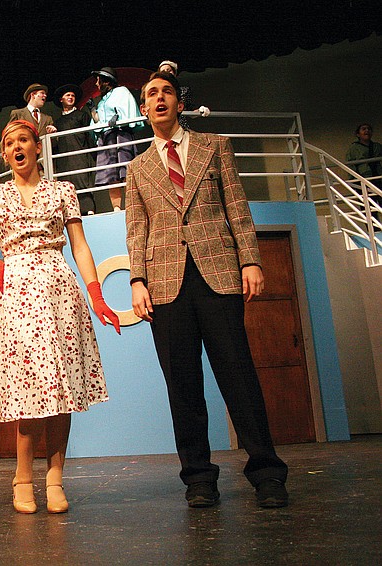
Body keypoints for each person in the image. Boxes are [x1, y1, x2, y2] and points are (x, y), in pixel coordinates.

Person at [125, 71, 289, 509]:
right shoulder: (137, 168)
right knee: (182, 386)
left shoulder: (215, 146)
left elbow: (237, 205)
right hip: (165, 283)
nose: (160, 98)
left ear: (179, 103)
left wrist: (250, 259)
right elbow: (137, 229)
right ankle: (198, 477)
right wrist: (137, 280)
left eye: (167, 92)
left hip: (218, 272)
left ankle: (267, 473)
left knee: (238, 375)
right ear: (144, 109)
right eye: (152, 94)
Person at [0, 120, 120, 514]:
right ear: (4, 153)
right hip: (19, 292)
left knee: (63, 390)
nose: (17, 147)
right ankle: (23, 477)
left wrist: (96, 294)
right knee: (29, 391)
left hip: (60, 289)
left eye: (23, 140)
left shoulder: (63, 191)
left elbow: (79, 245)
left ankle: (55, 478)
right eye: (9, 143)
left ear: (36, 147)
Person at [88, 67, 142, 211]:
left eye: (98, 81)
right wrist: (93, 110)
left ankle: (133, 206)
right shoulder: (102, 101)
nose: (96, 84)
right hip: (107, 138)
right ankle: (116, 208)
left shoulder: (121, 91)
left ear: (106, 81)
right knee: (111, 176)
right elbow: (98, 122)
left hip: (120, 135)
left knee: (126, 172)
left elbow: (127, 110)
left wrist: (118, 118)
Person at [52, 83, 100, 214]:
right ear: (61, 99)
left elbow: (89, 137)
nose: (71, 97)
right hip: (64, 161)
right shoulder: (57, 122)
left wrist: (93, 155)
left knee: (83, 182)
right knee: (67, 186)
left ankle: (89, 210)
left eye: (72, 95)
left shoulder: (82, 115)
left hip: (81, 157)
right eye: (67, 95)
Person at [157, 60, 210, 130]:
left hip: (182, 129)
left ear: (174, 73)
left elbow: (190, 113)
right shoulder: (157, 94)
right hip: (163, 130)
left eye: (169, 70)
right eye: (163, 71)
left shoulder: (184, 91)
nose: (166, 73)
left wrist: (201, 111)